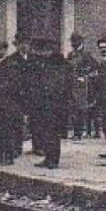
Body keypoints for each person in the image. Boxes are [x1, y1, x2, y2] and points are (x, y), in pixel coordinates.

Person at [27, 34, 70, 168]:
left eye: (41, 50)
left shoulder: (56, 64)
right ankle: (49, 158)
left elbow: (54, 85)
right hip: (46, 103)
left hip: (53, 104)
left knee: (51, 132)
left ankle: (52, 160)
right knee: (47, 132)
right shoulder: (45, 63)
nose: (39, 53)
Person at [66, 33, 98, 140]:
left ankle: (81, 132)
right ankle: (77, 132)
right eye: (72, 41)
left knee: (81, 108)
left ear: (81, 42)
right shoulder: (70, 54)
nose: (73, 43)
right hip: (72, 84)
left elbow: (95, 67)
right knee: (74, 108)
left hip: (83, 86)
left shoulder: (86, 54)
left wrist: (86, 75)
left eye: (76, 41)